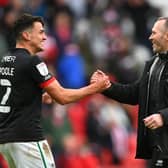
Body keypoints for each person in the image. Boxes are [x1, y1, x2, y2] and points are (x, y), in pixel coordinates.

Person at [0, 13, 110, 168]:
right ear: (26, 35)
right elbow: (62, 97)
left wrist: (36, 96)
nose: (45, 37)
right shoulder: (33, 62)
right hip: (27, 139)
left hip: (5, 140)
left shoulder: (5, 61)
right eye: (40, 32)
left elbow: (11, 95)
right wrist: (94, 88)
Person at [91, 17, 168, 168]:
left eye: (154, 33)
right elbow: (134, 94)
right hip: (156, 149)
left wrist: (163, 117)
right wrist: (106, 86)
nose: (150, 37)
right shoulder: (152, 64)